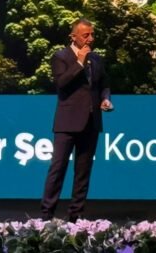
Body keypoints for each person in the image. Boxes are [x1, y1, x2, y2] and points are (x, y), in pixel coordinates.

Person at [40, 18, 113, 221]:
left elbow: (104, 84)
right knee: (58, 168)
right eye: (85, 35)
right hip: (67, 122)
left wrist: (105, 98)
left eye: (92, 34)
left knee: (83, 171)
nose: (91, 39)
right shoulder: (61, 57)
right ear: (73, 37)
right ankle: (46, 214)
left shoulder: (96, 59)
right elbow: (61, 84)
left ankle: (76, 216)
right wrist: (79, 62)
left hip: (91, 122)